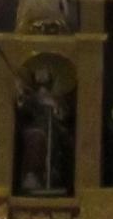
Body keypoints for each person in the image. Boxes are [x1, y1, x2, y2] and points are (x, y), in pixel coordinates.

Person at [15, 64, 73, 195]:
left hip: (54, 132)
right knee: (35, 139)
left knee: (53, 154)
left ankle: (50, 179)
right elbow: (24, 107)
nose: (41, 78)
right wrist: (20, 94)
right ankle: (32, 175)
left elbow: (64, 115)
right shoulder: (31, 96)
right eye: (38, 74)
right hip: (36, 130)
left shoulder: (58, 99)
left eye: (44, 74)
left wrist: (55, 106)